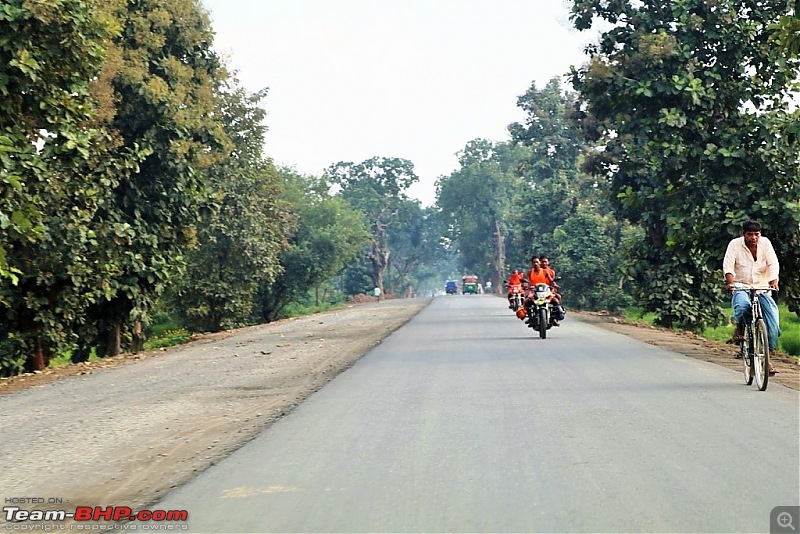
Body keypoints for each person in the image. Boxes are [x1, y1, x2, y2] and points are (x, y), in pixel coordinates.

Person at [723, 220, 780, 375]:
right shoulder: (735, 245)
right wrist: (730, 282)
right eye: (750, 234)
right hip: (741, 285)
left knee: (772, 323)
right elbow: (728, 265)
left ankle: (767, 358)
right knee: (742, 308)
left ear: (760, 234)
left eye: (757, 234)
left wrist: (773, 280)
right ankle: (740, 326)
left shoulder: (765, 244)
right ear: (744, 234)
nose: (754, 238)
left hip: (762, 287)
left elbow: (773, 263)